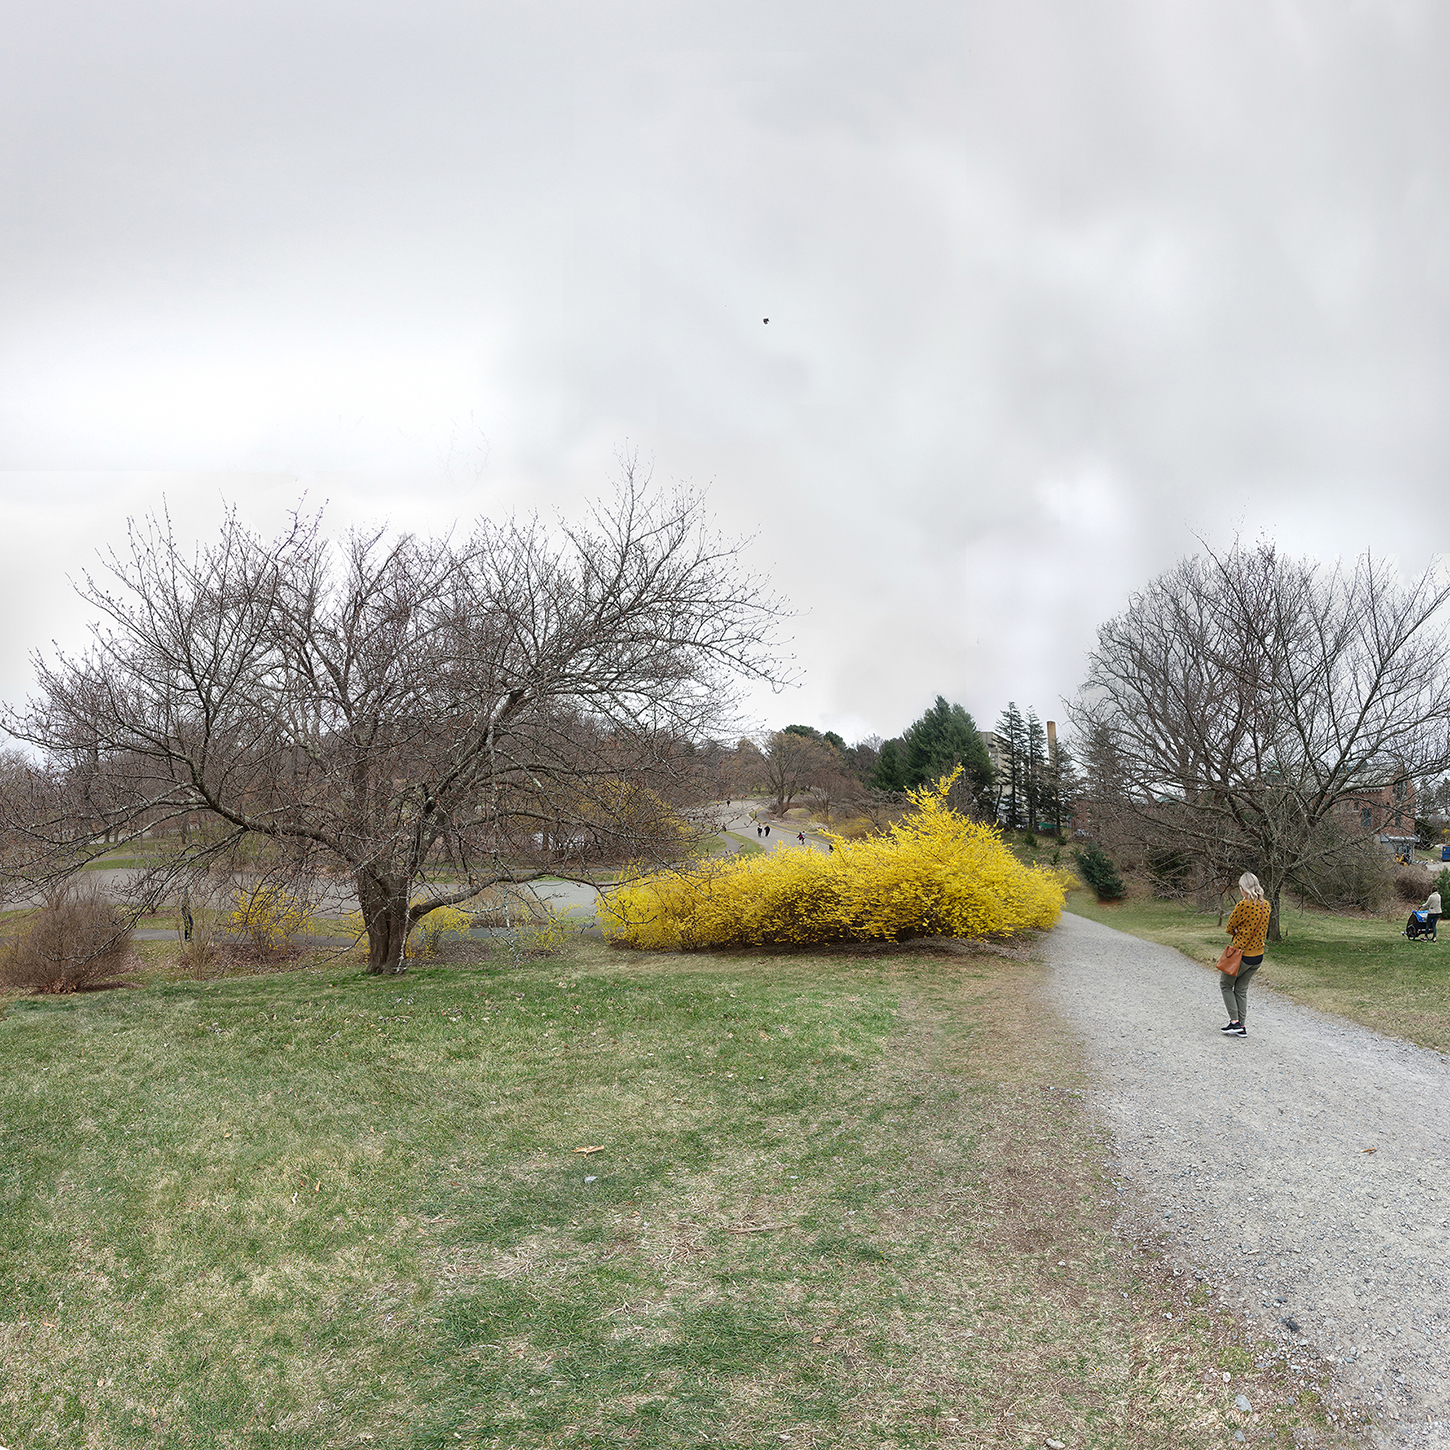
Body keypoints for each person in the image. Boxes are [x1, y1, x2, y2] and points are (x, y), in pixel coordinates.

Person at [1221, 872, 1271, 1038]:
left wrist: (1237, 930)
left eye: (1240, 887)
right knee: (1241, 990)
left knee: (1226, 985)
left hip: (1241, 955)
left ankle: (1234, 1022)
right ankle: (1241, 1026)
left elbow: (1229, 928)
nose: (1240, 890)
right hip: (1257, 957)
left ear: (1244, 888)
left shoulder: (1243, 905)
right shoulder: (1266, 905)